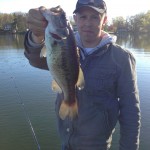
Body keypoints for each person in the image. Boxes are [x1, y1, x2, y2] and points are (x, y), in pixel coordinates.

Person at [24, 0, 141, 149]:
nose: (88, 23)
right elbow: (35, 59)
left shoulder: (122, 59)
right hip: (65, 141)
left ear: (104, 20)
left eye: (95, 17)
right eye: (83, 16)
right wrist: (36, 35)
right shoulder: (62, 43)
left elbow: (131, 110)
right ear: (75, 18)